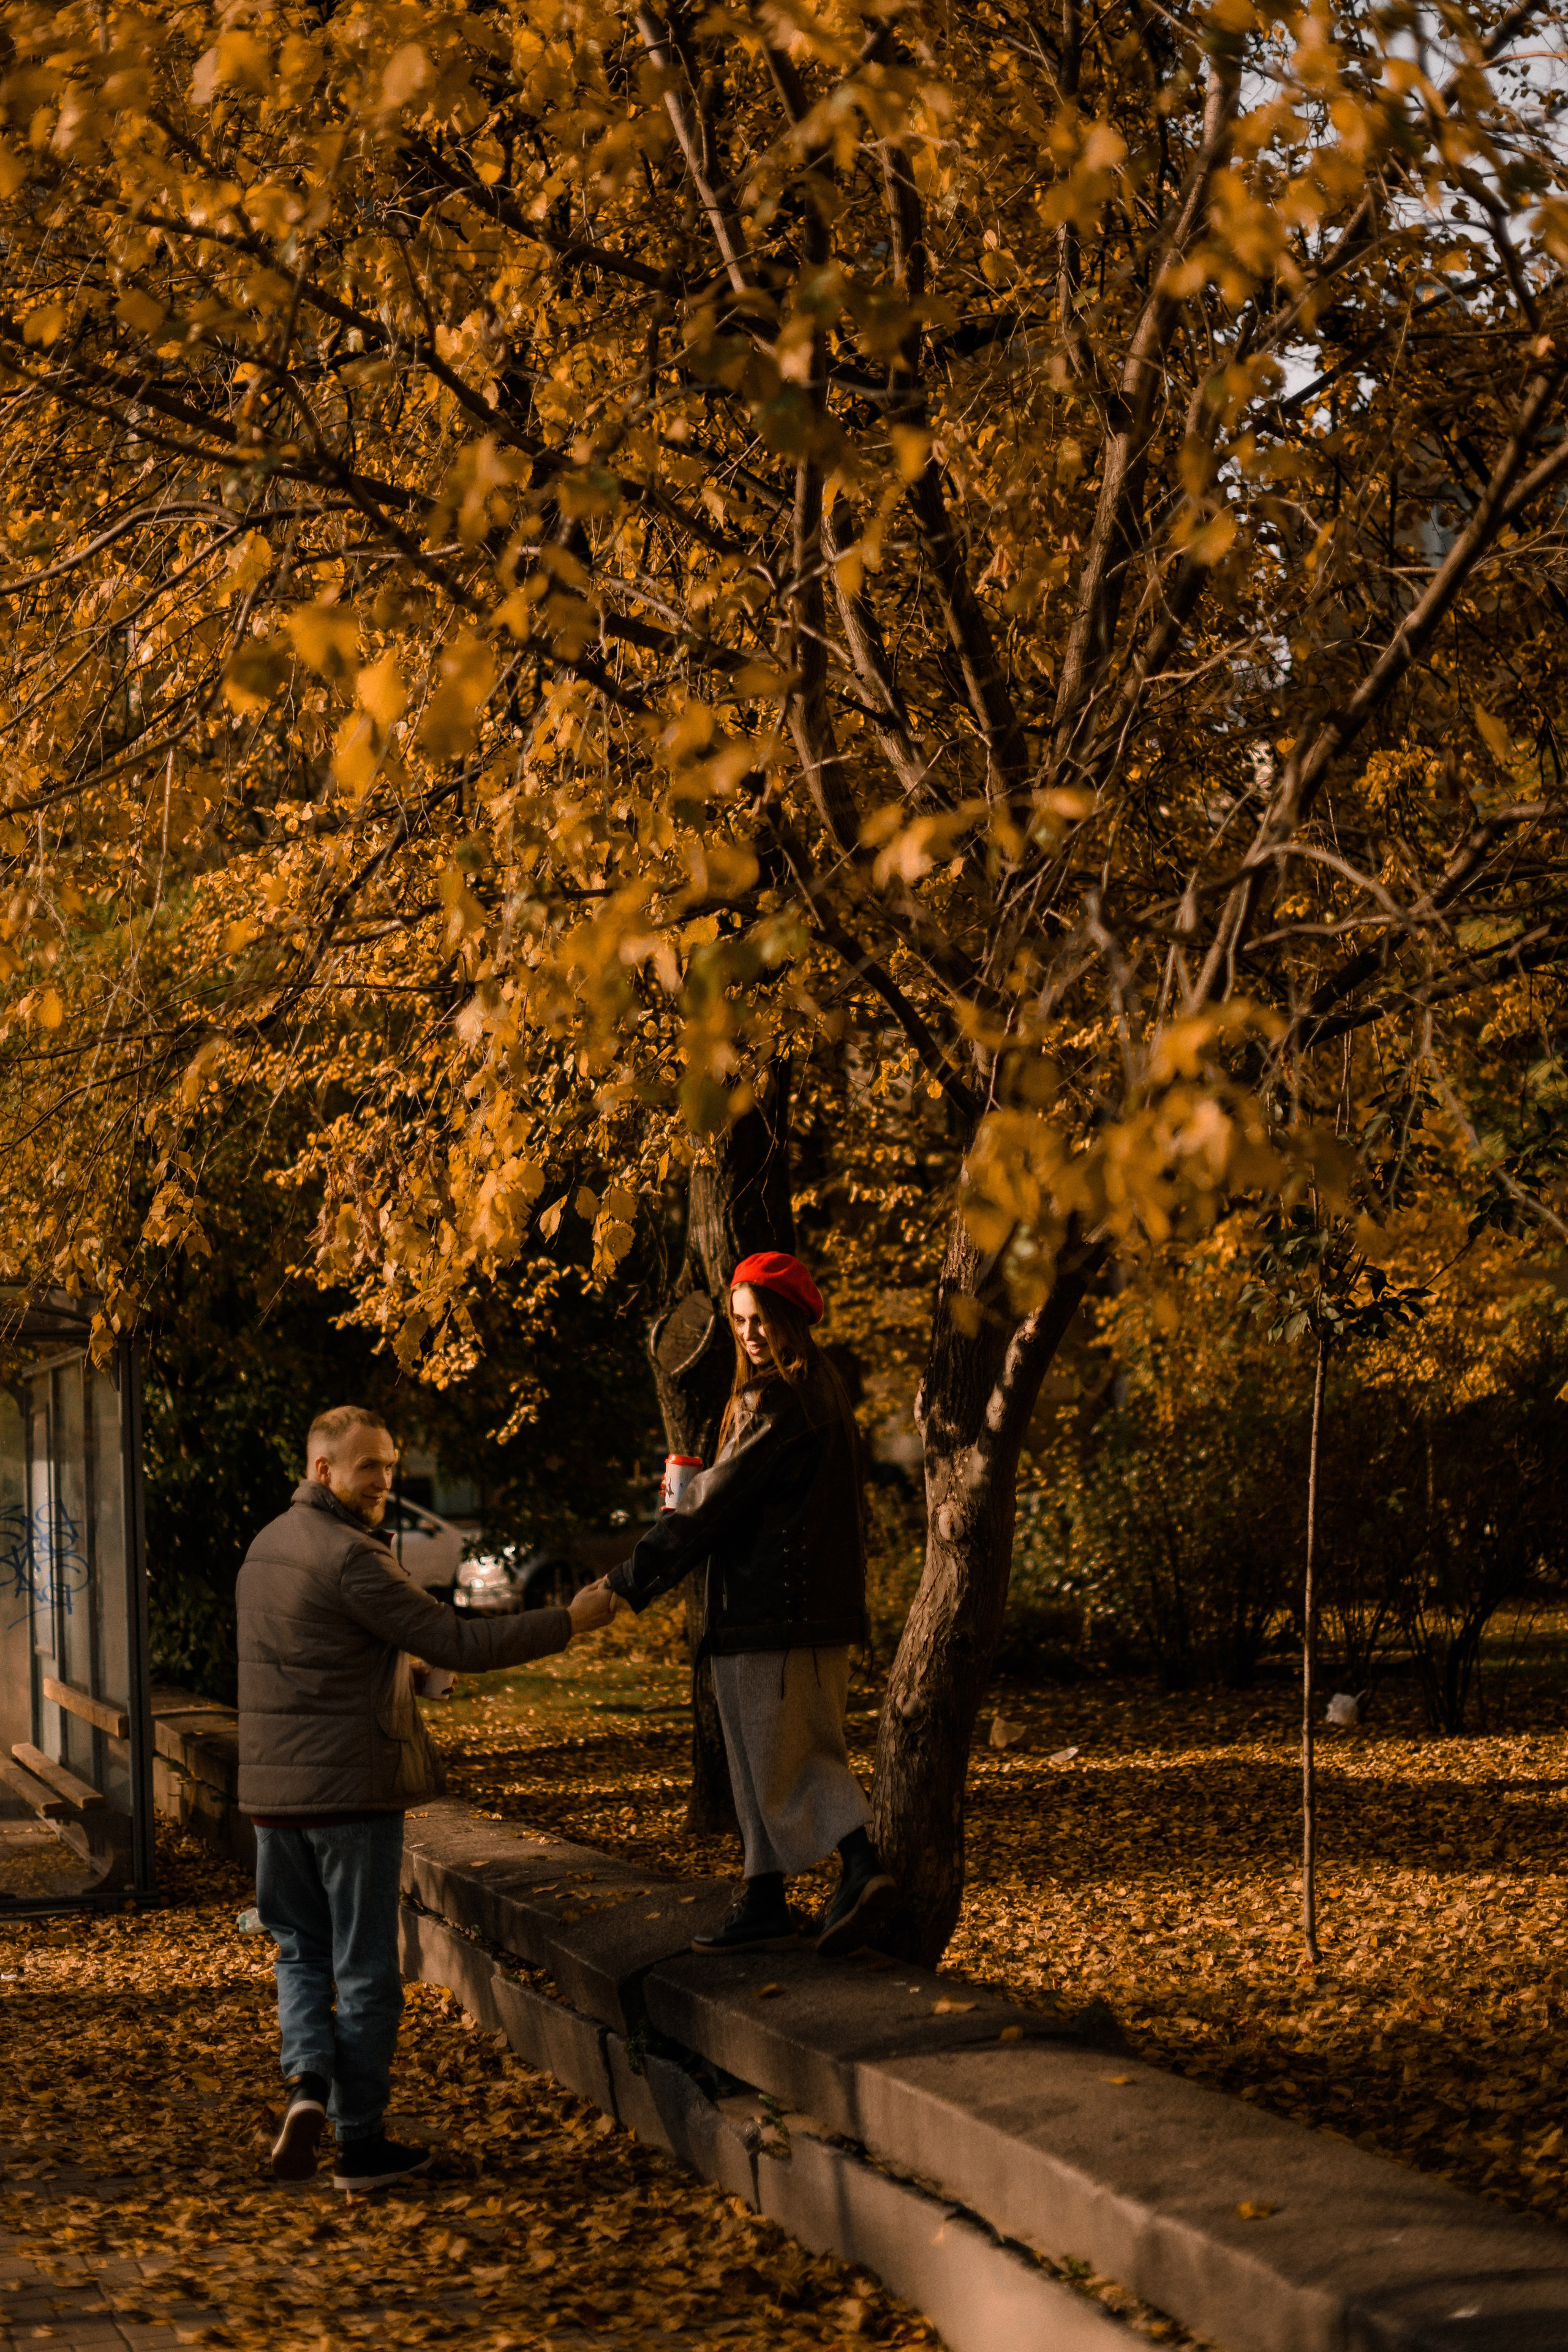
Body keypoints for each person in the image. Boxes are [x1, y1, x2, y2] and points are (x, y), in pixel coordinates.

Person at [236, 1406, 617, 2190]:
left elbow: (313, 1664)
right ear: (323, 1472)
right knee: (366, 1967)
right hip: (351, 1795)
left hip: (275, 1798)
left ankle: (307, 2085)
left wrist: (395, 1676)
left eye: (390, 1463)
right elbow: (459, 1641)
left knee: (299, 1953)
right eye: (368, 1467)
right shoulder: (350, 1557)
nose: (385, 1481)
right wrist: (568, 1622)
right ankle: (360, 2145)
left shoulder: (265, 1548)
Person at [607, 1252, 895, 1958]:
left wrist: (628, 1580)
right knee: (759, 1759)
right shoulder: (814, 1393)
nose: (748, 1334)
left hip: (777, 1615)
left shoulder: (779, 1401)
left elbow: (714, 1505)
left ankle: (862, 1866)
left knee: (794, 1759)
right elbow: (741, 1502)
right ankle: (765, 1896)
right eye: (739, 1322)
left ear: (790, 1317)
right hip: (786, 1614)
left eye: (760, 1319)